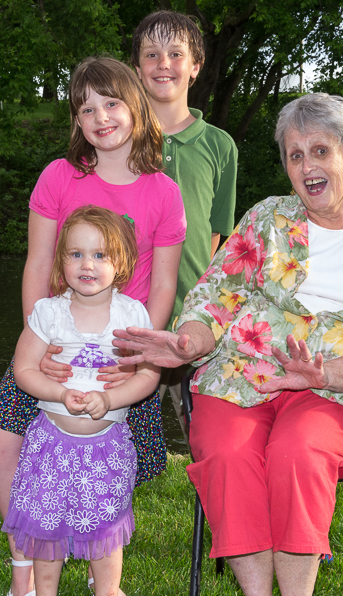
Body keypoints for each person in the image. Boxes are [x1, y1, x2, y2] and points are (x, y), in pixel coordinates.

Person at [112, 93, 343, 596]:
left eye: (321, 151)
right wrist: (189, 342)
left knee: (298, 451)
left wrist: (326, 375)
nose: (307, 166)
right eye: (295, 155)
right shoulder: (268, 218)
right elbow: (214, 297)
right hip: (240, 375)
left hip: (340, 388)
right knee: (229, 454)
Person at [0, 56, 185, 596]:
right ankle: (24, 557)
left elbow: (163, 283)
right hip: (55, 339)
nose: (100, 116)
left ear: (136, 107)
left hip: (122, 349)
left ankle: (102, 569)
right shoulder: (58, 176)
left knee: (111, 458)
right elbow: (36, 261)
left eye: (111, 103)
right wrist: (37, 340)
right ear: (76, 120)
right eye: (86, 107)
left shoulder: (163, 190)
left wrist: (139, 351)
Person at [3, 206, 160, 596]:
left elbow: (149, 375)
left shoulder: (132, 314)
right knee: (46, 525)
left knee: (104, 527)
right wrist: (58, 392)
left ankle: (106, 589)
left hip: (107, 446)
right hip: (50, 442)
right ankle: (44, 591)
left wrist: (110, 399)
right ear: (61, 261)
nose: (87, 264)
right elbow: (24, 369)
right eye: (76, 254)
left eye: (100, 255)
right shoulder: (48, 312)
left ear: (120, 263)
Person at [129, 9, 239, 437]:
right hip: (131, 307)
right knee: (118, 432)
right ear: (137, 68)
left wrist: (199, 304)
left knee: (206, 433)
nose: (163, 64)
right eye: (151, 54)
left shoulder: (220, 146)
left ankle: (211, 500)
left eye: (175, 53)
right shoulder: (118, 136)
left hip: (193, 316)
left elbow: (215, 233)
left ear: (195, 67)